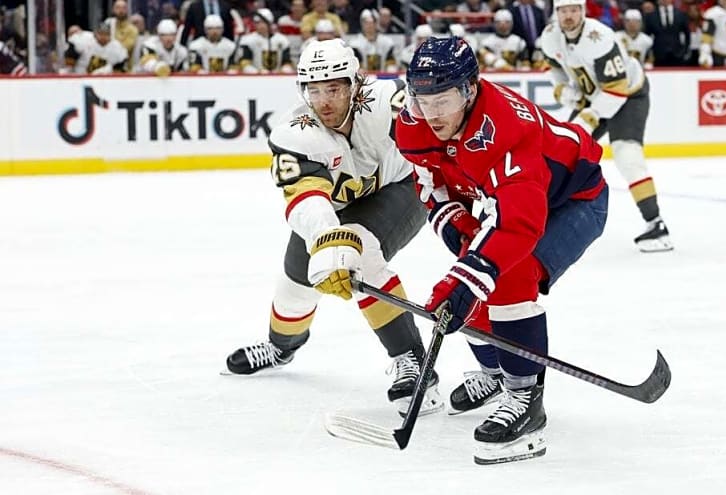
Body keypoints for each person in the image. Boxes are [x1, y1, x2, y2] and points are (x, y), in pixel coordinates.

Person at [396, 36, 608, 464]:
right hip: (503, 201)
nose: (432, 115)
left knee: (507, 271)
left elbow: (519, 225)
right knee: (473, 272)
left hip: (574, 201)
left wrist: (468, 274)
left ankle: (525, 399)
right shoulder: (412, 120)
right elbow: (428, 183)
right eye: (423, 100)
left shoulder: (510, 132)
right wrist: (459, 230)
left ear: (470, 90)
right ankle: (495, 371)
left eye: (445, 100)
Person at [225, 39, 442, 418]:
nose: (324, 101)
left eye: (334, 88)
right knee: (296, 281)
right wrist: (328, 242)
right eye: (315, 89)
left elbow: (439, 139)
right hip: (334, 206)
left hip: (401, 189)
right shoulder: (294, 134)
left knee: (363, 252)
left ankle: (413, 362)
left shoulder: (388, 103)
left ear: (355, 83)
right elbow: (306, 197)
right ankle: (282, 346)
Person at [542, 0, 673, 252]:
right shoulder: (550, 37)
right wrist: (563, 90)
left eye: (574, 10)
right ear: (556, 13)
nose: (569, 16)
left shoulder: (599, 37)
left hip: (628, 95)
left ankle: (656, 224)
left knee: (626, 154)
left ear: (583, 11)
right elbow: (552, 67)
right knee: (560, 152)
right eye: (563, 11)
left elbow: (617, 89)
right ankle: (544, 220)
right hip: (596, 98)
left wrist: (587, 118)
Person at [238, 8, 294, 73]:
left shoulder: (282, 40)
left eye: (263, 22)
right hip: (255, 77)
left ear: (270, 23)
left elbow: (287, 61)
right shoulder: (247, 40)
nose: (260, 25)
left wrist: (285, 69)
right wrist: (258, 72)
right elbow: (245, 63)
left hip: (277, 77)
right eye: (257, 23)